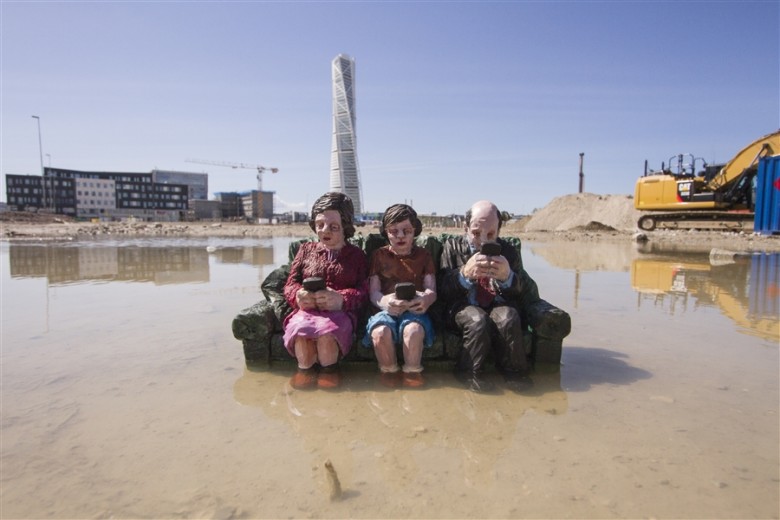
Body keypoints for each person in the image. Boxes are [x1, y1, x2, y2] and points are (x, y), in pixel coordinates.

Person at [438, 200, 538, 393]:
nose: (483, 241)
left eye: (490, 235)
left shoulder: (508, 250)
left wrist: (507, 278)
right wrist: (464, 275)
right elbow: (442, 289)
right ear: (465, 228)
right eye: (476, 233)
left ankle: (514, 373)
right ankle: (468, 373)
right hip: (462, 305)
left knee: (509, 317)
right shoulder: (452, 246)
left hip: (497, 303)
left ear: (499, 231)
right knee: (477, 320)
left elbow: (522, 289)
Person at [282, 192, 368, 390]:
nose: (325, 231)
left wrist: (342, 299)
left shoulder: (357, 256)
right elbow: (290, 282)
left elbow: (364, 290)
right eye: (320, 225)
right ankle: (305, 369)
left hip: (339, 314)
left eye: (333, 226)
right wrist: (298, 295)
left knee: (327, 333)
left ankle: (329, 370)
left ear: (345, 227)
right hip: (307, 312)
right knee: (301, 331)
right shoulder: (305, 250)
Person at [362, 204, 437, 388]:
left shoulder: (424, 256)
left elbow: (431, 290)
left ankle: (412, 371)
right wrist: (384, 301)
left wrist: (425, 299)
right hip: (386, 310)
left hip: (414, 310)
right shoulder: (379, 256)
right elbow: (374, 292)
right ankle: (388, 371)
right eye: (394, 231)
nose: (401, 236)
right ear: (386, 232)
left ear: (415, 231)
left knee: (413, 331)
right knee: (380, 332)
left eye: (406, 231)